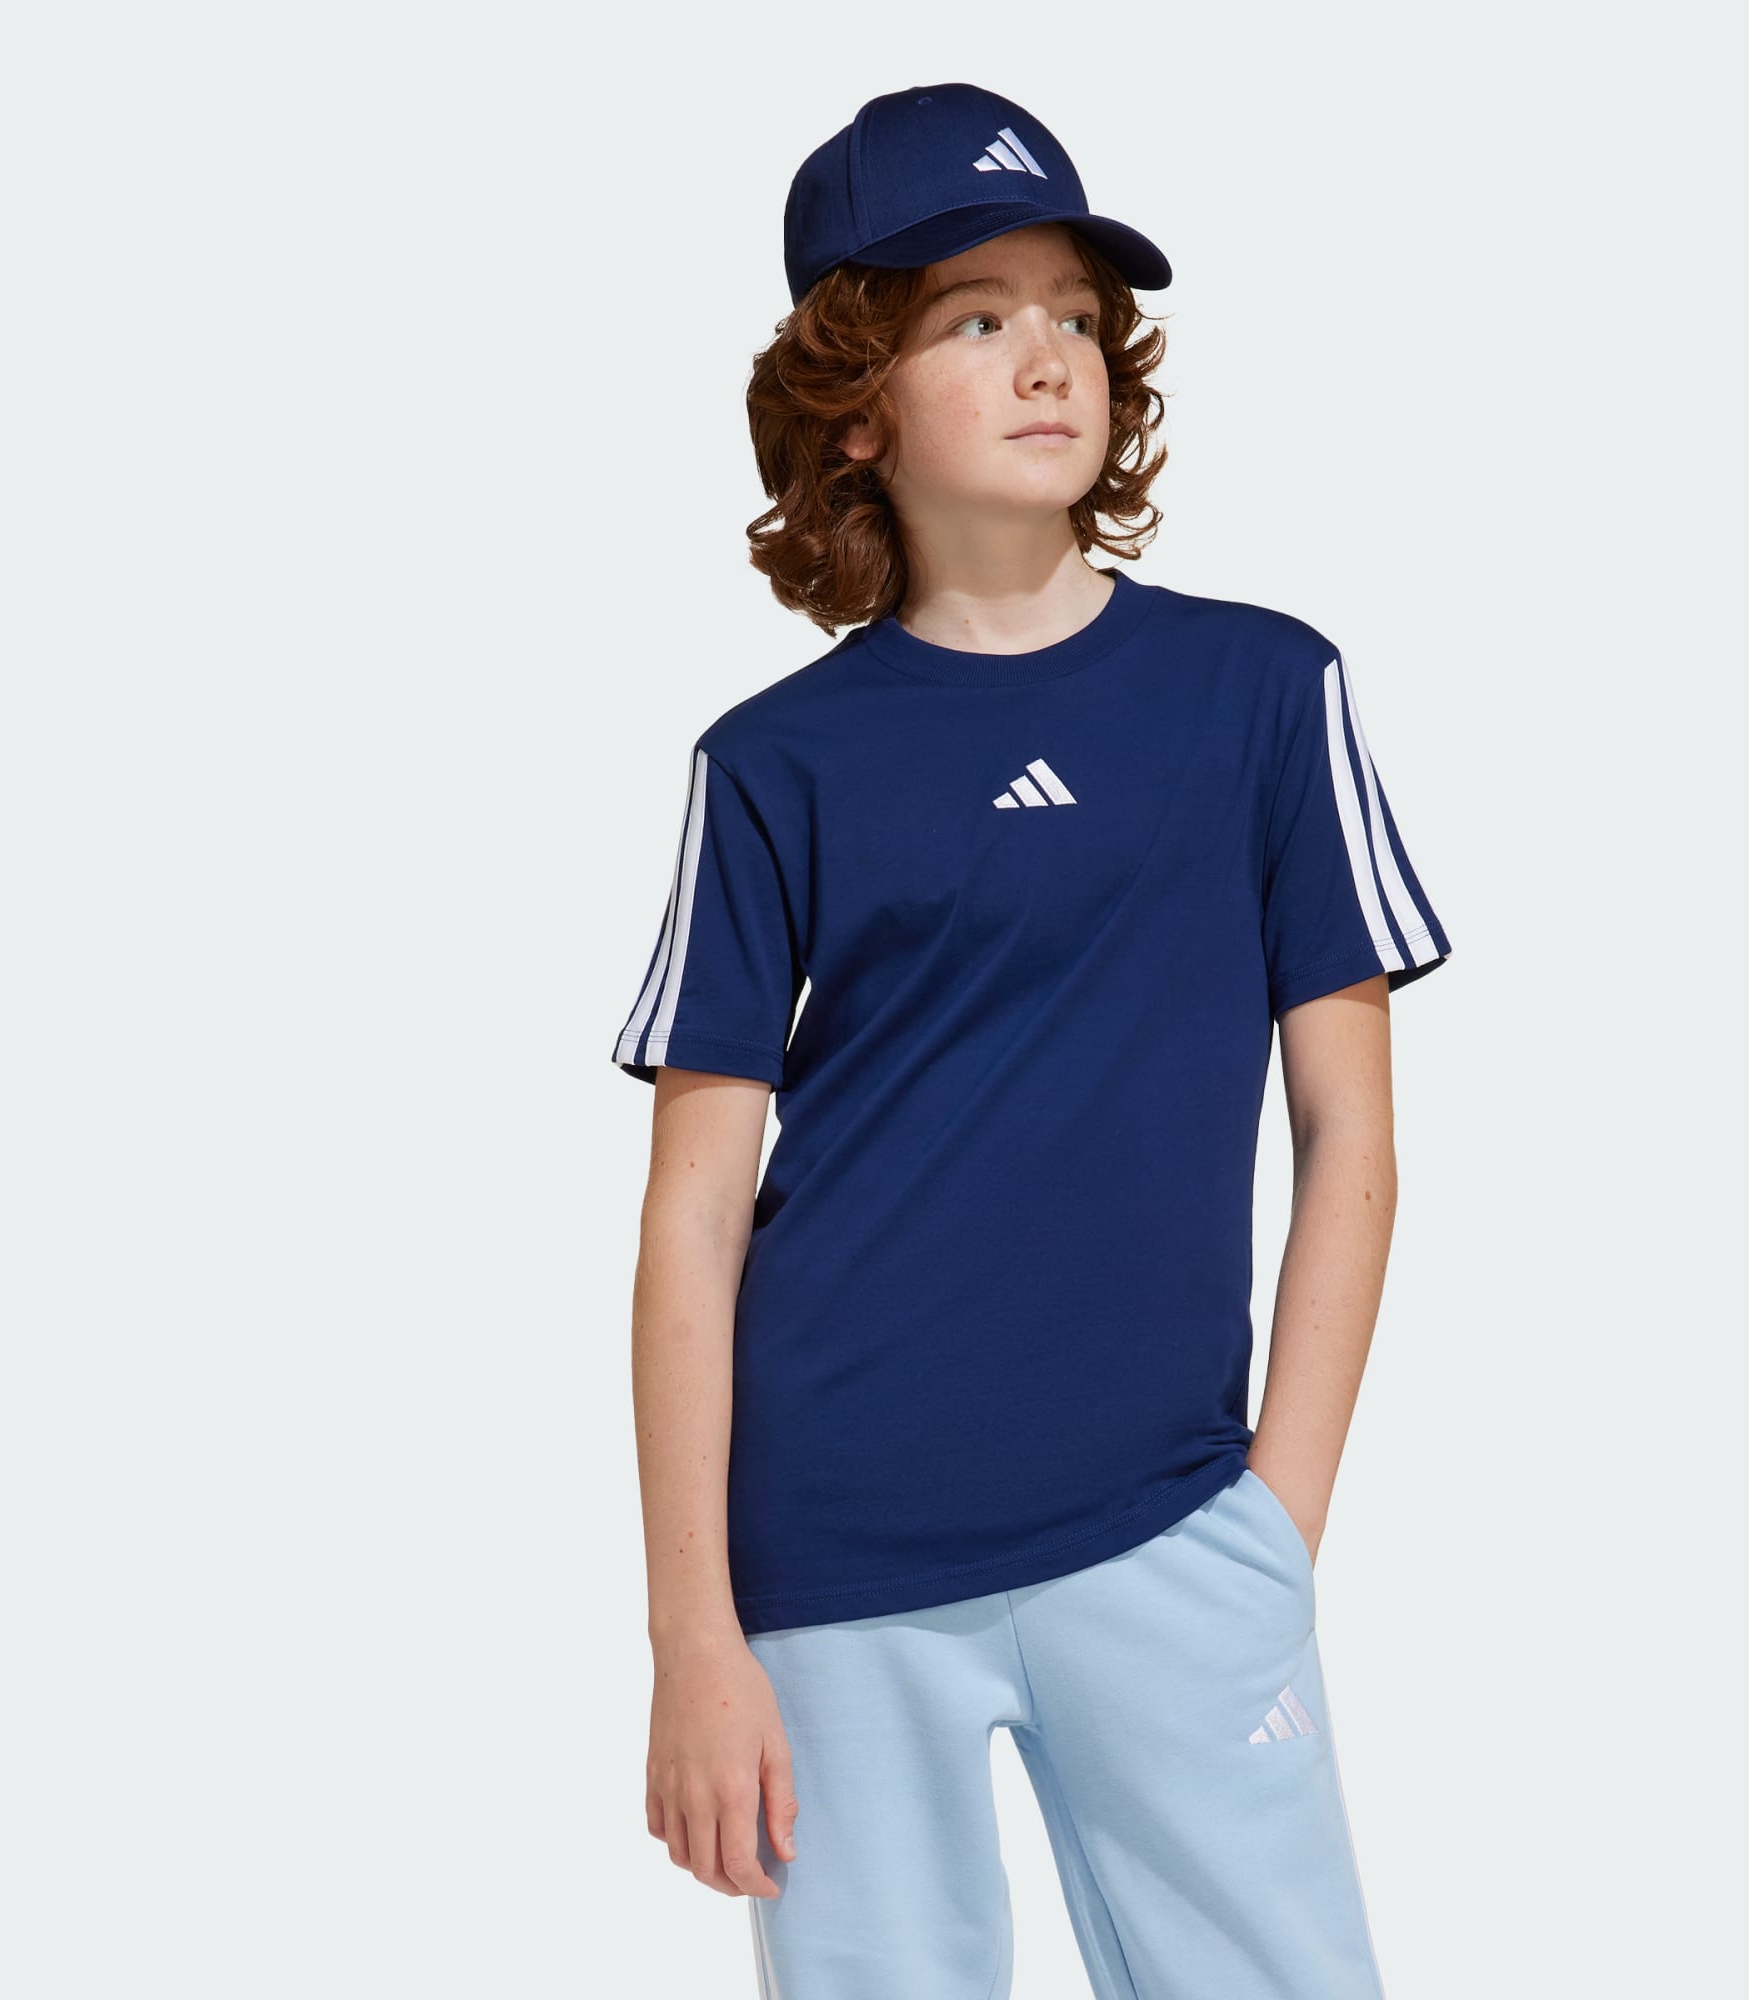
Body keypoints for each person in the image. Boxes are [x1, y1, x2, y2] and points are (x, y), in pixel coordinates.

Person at [610, 81, 1452, 1999]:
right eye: (975, 318)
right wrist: (692, 1634)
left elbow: (1353, 1138)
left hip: (1174, 1526)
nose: (1047, 356)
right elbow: (692, 1218)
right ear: (855, 401)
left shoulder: (1264, 693)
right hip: (834, 1555)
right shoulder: (773, 766)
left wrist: (1277, 1522)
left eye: (1073, 312)